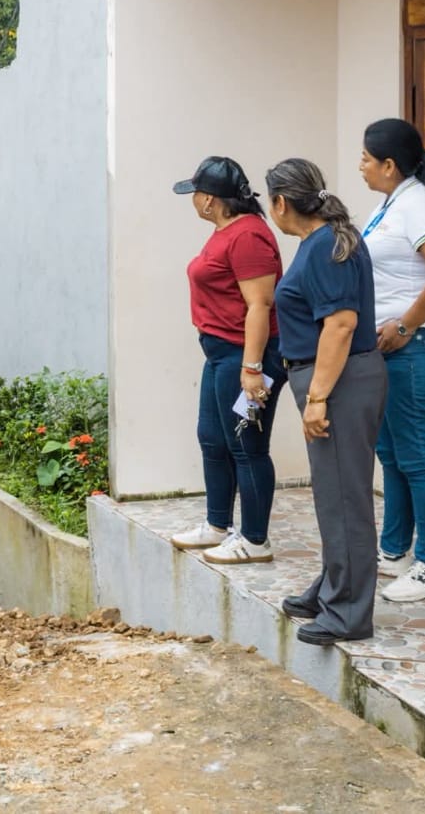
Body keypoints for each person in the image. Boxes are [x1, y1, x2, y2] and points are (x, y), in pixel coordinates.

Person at [265, 158, 387, 646]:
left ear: (280, 202)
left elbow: (340, 325)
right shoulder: (327, 240)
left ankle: (348, 613)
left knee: (343, 498)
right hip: (339, 378)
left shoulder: (324, 247)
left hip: (338, 381)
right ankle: (334, 588)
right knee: (336, 494)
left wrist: (317, 397)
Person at [359, 119, 425, 603]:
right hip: (392, 353)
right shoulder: (392, 202)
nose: (360, 165)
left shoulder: (418, 203)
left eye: (366, 158)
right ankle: (395, 551)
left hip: (415, 350)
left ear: (389, 164)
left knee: (417, 458)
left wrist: (404, 325)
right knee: (393, 454)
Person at [167, 156, 289, 564]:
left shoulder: (248, 236)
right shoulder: (227, 231)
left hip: (247, 356)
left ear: (209, 200)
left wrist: (252, 369)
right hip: (220, 353)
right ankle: (217, 525)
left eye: (195, 193)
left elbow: (260, 304)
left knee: (246, 444)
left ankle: (255, 540)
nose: (193, 200)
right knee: (213, 438)